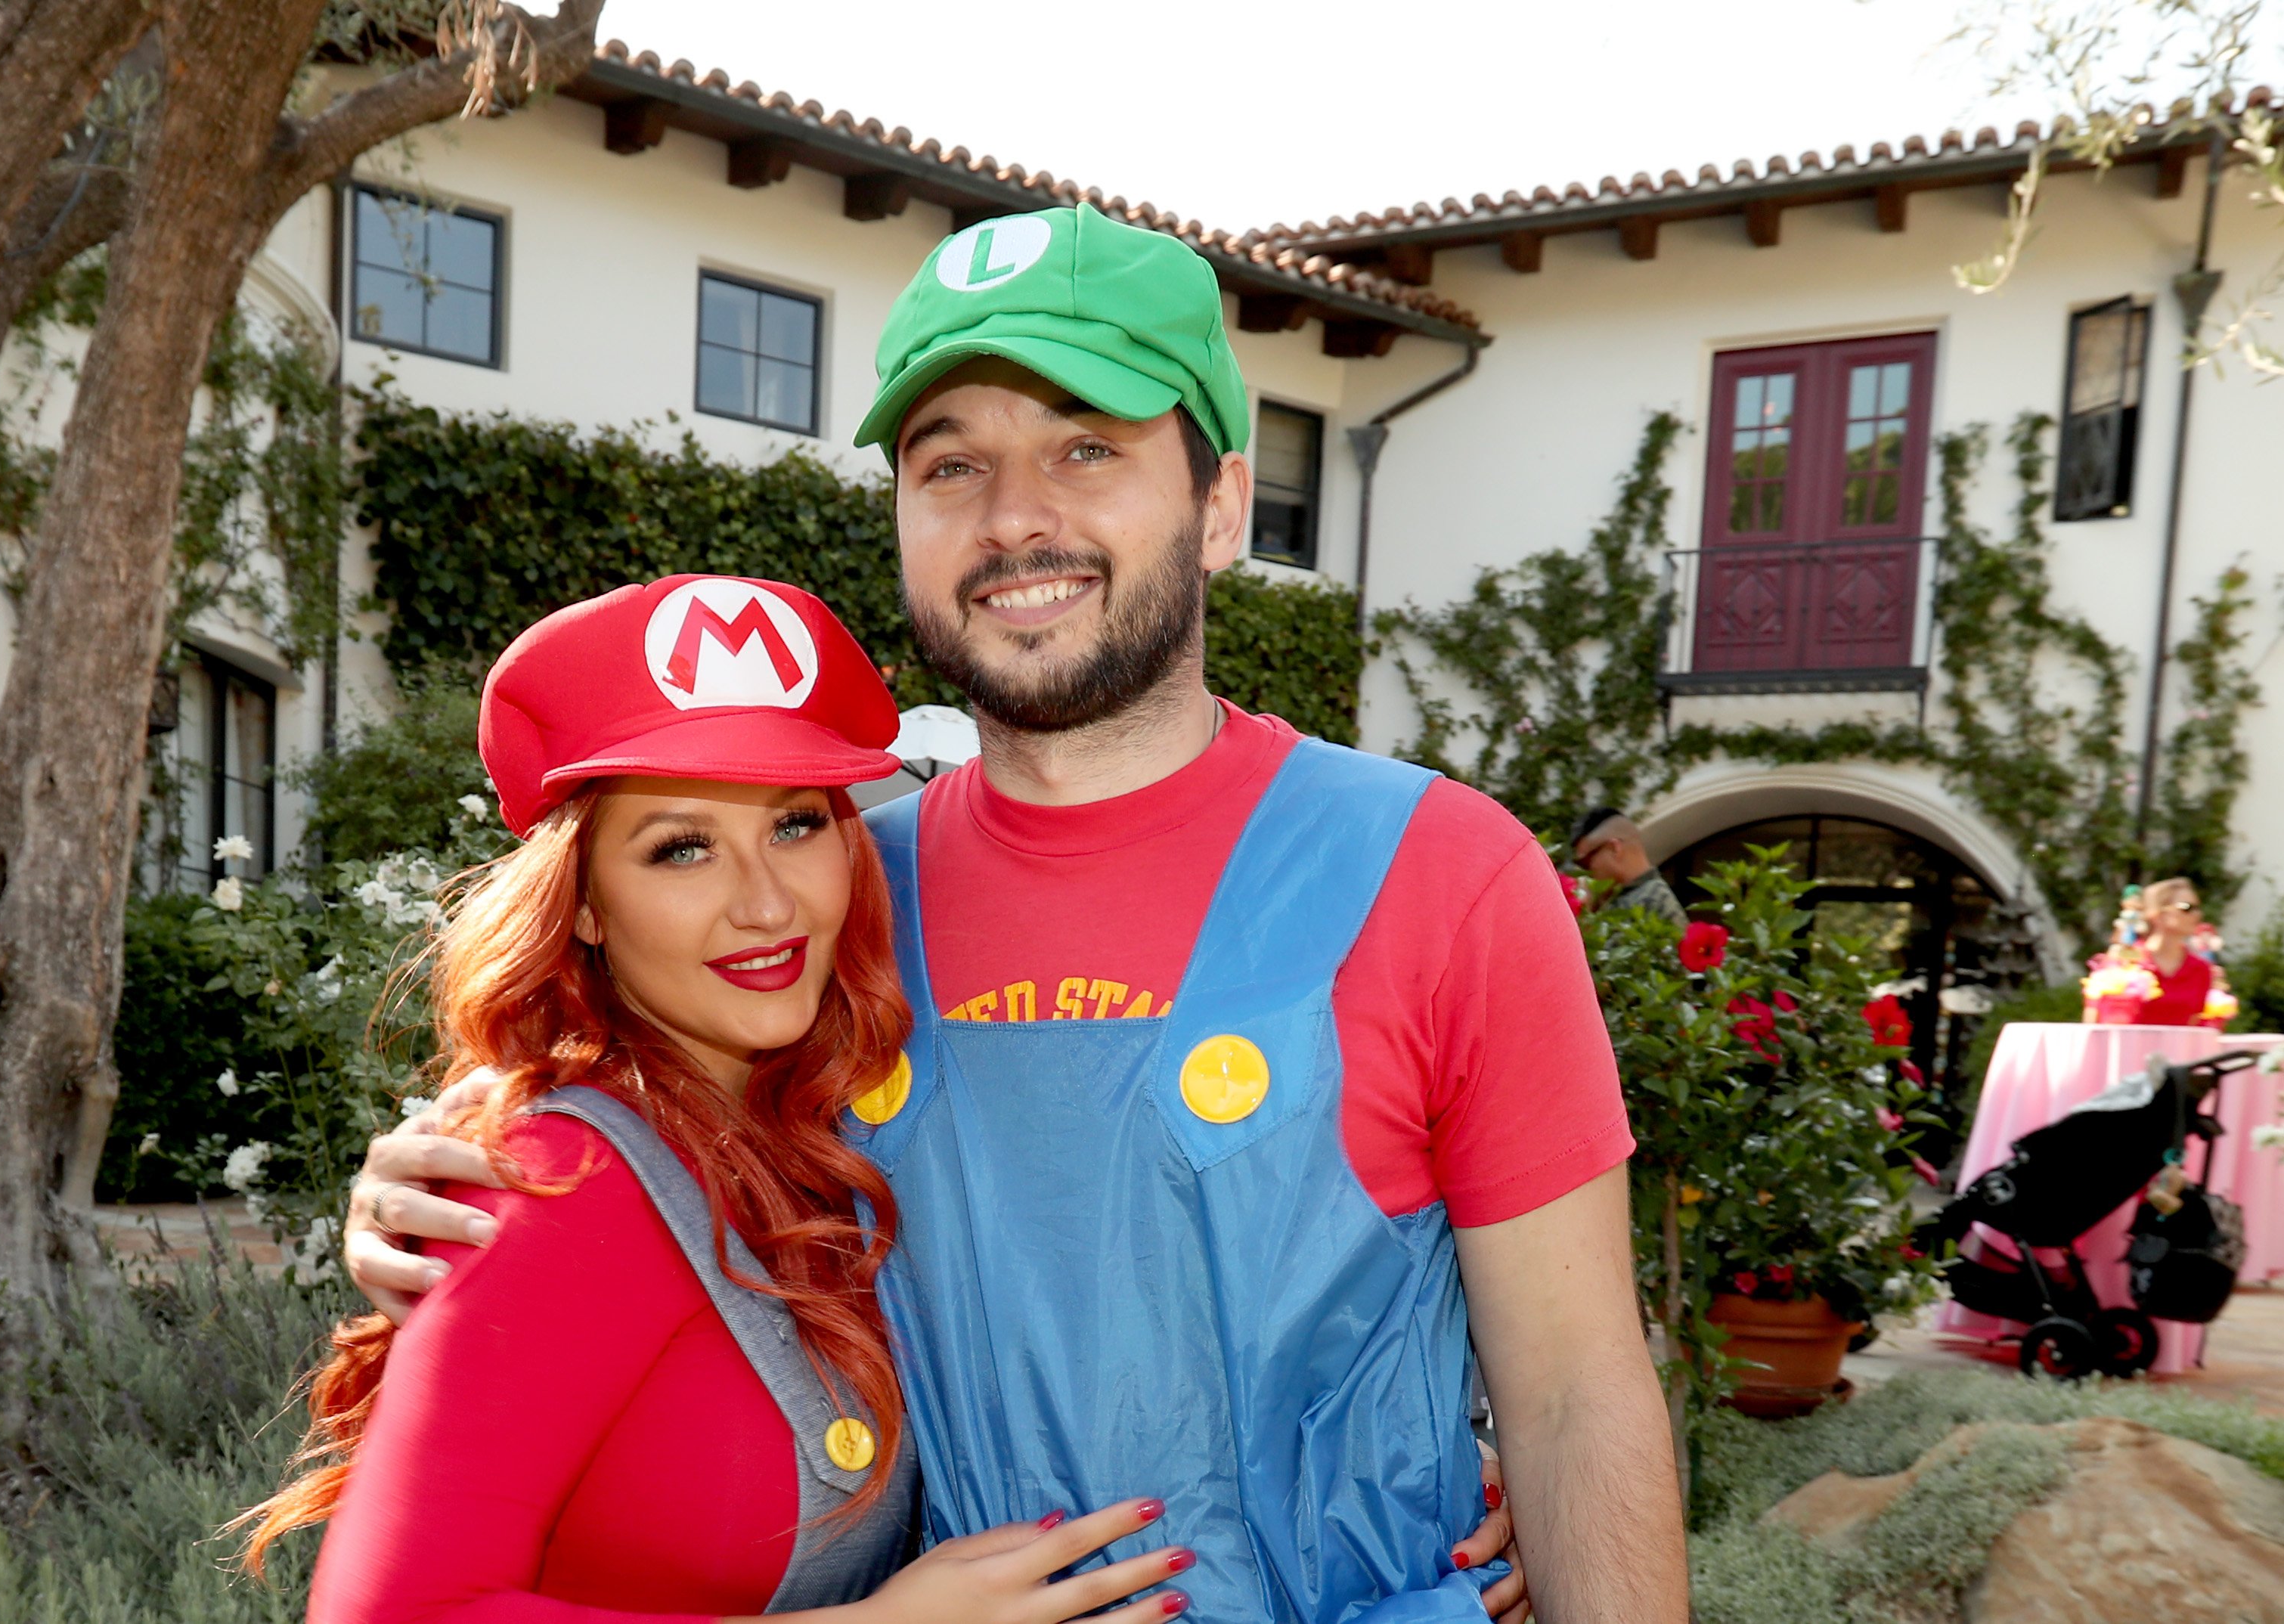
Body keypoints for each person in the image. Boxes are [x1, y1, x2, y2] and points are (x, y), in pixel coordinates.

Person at [348, 206, 1684, 1622]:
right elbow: (648, 1149)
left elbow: (1572, 1395)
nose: (1012, 516)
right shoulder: (834, 897)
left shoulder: (1438, 870)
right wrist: (442, 1180)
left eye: (1085, 446)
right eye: (951, 464)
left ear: (1220, 502)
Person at [247, 577, 1192, 1624]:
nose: (765, 903)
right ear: (589, 906)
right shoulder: (566, 1180)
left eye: (794, 825)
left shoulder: (826, 1131)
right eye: (681, 847)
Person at [1570, 807, 1689, 931]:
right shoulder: (1614, 900)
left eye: (1585, 863)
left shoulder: (1655, 900)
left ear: (1614, 848)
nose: (1584, 873)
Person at [2134, 876, 2217, 1027]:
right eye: (2187, 908)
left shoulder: (2200, 970)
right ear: (2158, 915)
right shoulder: (2128, 963)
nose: (2197, 915)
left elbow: (2195, 1025)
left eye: (2197, 908)